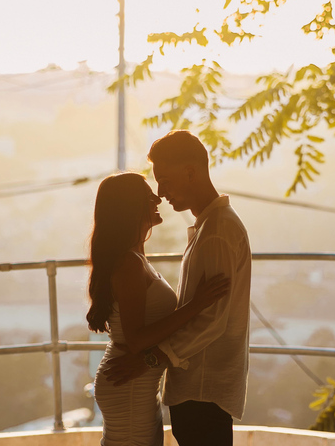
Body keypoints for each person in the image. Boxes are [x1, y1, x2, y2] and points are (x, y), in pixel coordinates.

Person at [105, 130, 252, 446]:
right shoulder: (209, 228)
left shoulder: (217, 231)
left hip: (203, 387)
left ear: (191, 172)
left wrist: (150, 359)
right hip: (197, 387)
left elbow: (212, 320)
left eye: (165, 180)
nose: (160, 193)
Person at [87, 172, 229, 446]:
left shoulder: (135, 258)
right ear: (130, 206)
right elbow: (136, 339)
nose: (157, 198)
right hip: (129, 381)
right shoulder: (129, 263)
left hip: (134, 380)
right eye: (147, 194)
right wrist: (196, 305)